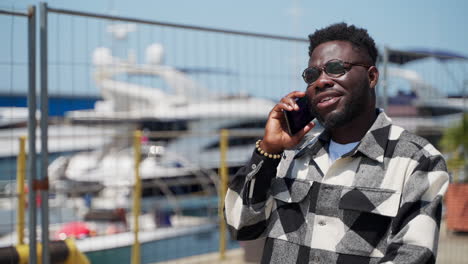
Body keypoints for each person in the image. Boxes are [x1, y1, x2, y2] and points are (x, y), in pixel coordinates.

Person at [224, 23, 449, 264]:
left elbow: (414, 255)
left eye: (335, 68)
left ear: (372, 76)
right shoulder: (290, 155)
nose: (321, 81)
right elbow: (240, 226)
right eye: (312, 75)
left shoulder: (417, 160)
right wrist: (268, 151)